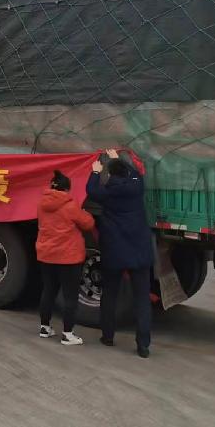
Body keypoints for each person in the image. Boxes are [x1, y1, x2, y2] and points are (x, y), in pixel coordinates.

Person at [86, 148, 154, 358]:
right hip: (139, 252)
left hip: (114, 251)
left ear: (109, 175)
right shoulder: (136, 186)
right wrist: (118, 159)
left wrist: (95, 171)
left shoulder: (106, 193)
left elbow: (90, 190)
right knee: (142, 299)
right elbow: (134, 172)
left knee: (110, 295)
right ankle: (143, 345)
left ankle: (108, 336)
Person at [36, 170, 95, 345]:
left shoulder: (42, 204)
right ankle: (68, 334)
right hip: (68, 258)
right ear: (67, 189)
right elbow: (88, 224)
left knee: (48, 291)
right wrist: (86, 213)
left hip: (46, 255)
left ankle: (44, 327)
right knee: (70, 296)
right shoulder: (70, 206)